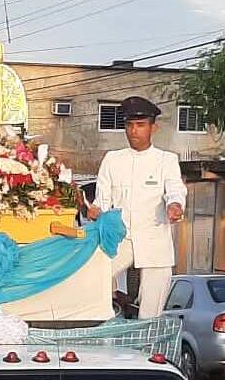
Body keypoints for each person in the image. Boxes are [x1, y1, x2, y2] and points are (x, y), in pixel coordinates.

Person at [87, 96, 187, 319]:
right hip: (121, 239)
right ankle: (105, 323)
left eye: (140, 125)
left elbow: (175, 188)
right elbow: (102, 201)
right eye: (129, 125)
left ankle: (148, 349)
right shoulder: (113, 159)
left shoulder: (166, 160)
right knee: (93, 278)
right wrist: (94, 211)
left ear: (153, 127)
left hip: (154, 241)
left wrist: (175, 205)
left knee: (151, 312)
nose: (134, 131)